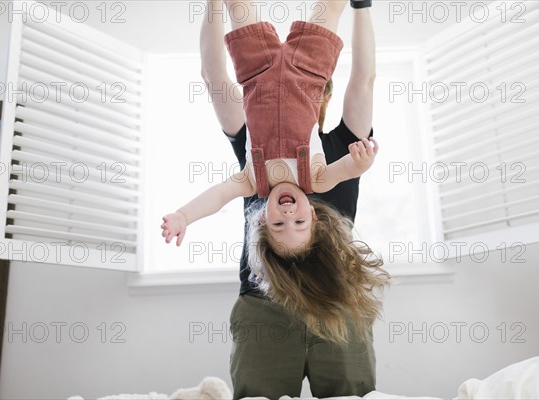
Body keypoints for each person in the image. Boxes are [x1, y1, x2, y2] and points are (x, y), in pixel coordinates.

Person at [163, 0, 389, 398]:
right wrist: (362, 6)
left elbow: (365, 80)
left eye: (315, 88)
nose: (287, 213)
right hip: (264, 299)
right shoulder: (309, 161)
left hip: (335, 298)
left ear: (322, 91)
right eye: (296, 222)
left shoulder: (260, 167)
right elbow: (213, 74)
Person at [160, 0, 379, 258]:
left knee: (237, 4)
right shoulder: (318, 178)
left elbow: (219, 196)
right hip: (309, 71)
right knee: (331, 6)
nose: (288, 216)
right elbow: (347, 170)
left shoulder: (251, 180)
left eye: (279, 224)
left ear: (263, 218)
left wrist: (184, 216)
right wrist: (361, 163)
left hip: (256, 70)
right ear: (312, 214)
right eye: (299, 223)